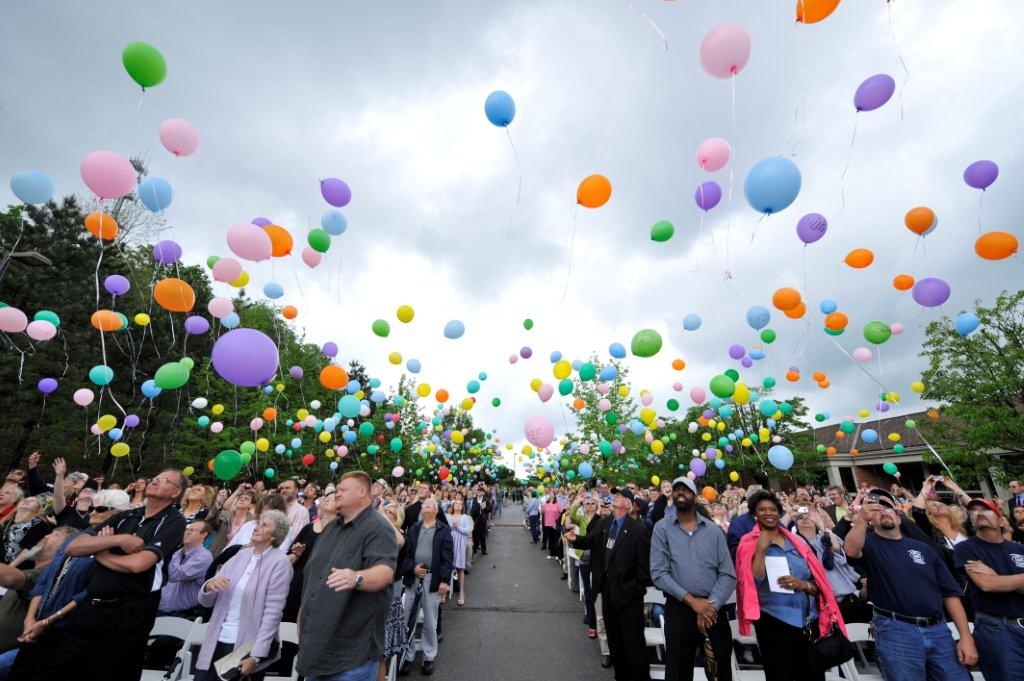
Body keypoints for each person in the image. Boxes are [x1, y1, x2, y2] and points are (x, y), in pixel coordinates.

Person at [47, 469, 187, 681]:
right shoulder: (127, 515)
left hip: (128, 615)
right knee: (64, 670)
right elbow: (73, 547)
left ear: (175, 493)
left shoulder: (173, 522)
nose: (155, 481)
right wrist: (116, 541)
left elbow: (138, 564)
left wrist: (99, 551)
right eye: (155, 477)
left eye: (163, 480)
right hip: (89, 608)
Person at [844, 489, 977, 680]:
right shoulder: (869, 543)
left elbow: (950, 594)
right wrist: (862, 519)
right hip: (896, 630)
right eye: (876, 509)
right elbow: (850, 550)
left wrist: (966, 637)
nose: (883, 511)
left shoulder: (924, 549)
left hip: (938, 629)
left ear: (899, 516)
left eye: (888, 507)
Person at [11, 490, 130, 681]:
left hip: (69, 631)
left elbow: (89, 591)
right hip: (38, 624)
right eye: (91, 508)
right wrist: (31, 619)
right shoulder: (75, 539)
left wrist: (49, 621)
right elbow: (44, 580)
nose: (92, 512)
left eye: (100, 509)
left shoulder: (115, 547)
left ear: (118, 513)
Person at [297, 471, 399, 681]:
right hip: (317, 649)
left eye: (343, 489)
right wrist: (303, 613)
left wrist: (356, 578)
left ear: (362, 492)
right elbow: (314, 575)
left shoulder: (377, 528)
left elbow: (385, 572)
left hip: (351, 654)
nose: (337, 493)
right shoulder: (331, 528)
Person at [735, 490, 846, 681]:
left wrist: (804, 585)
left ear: (779, 513)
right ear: (754, 514)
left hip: (807, 622)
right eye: (762, 509)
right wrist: (761, 550)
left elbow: (818, 582)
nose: (768, 513)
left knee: (813, 676)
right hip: (774, 623)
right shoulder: (748, 542)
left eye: (772, 509)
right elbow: (751, 583)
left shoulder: (797, 542)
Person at [651, 476, 736, 681]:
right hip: (680, 609)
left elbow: (728, 573)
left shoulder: (714, 530)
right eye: (676, 489)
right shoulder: (662, 529)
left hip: (712, 610)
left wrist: (710, 606)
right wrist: (692, 601)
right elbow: (659, 573)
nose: (681, 492)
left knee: (719, 670)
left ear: (695, 496)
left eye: (686, 489)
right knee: (679, 671)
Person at [565, 487, 652, 681]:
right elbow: (591, 540)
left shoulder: (638, 530)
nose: (615, 497)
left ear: (629, 504)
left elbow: (645, 570)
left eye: (620, 496)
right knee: (615, 643)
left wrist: (633, 589)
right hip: (607, 593)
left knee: (633, 646)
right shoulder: (605, 523)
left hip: (629, 597)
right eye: (615, 495)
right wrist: (575, 539)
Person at [193, 510, 292, 681]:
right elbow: (206, 602)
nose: (257, 527)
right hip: (216, 639)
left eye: (264, 525)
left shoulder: (280, 563)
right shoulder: (240, 555)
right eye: (258, 522)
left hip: (245, 648)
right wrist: (209, 586)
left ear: (275, 536)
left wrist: (255, 657)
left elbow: (273, 615)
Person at [954, 498, 1024, 681]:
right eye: (974, 511)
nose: (979, 513)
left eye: (986, 510)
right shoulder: (965, 548)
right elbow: (987, 585)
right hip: (996, 628)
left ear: (1001, 520)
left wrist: (997, 577)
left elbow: (995, 582)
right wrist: (997, 580)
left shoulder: (1018, 549)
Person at [0, 526, 75, 676]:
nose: (46, 536)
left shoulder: (51, 575)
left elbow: (13, 577)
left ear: (69, 547)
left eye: (57, 534)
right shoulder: (35, 571)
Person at [399, 497, 453, 676]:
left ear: (436, 510)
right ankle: (407, 656)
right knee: (409, 619)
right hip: (413, 578)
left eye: (429, 504)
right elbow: (406, 556)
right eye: (424, 504)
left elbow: (447, 558)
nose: (425, 506)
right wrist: (412, 568)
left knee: (430, 622)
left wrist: (445, 580)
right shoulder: (413, 529)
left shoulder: (443, 530)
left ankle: (428, 657)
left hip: (432, 580)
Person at [791, 508, 870, 624]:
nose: (804, 519)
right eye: (800, 518)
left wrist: (822, 527)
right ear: (796, 524)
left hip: (847, 600)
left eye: (808, 516)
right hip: (822, 604)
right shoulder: (794, 544)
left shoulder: (826, 536)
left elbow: (836, 548)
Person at [158, 519, 214, 617]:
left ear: (203, 534)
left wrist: (172, 548)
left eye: (192, 530)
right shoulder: (178, 552)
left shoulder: (204, 557)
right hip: (159, 608)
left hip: (180, 615)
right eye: (187, 529)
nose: (187, 532)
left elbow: (175, 575)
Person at [379, 502, 408, 681]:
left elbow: (399, 542)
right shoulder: (378, 532)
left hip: (391, 587)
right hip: (375, 587)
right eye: (386, 510)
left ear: (397, 519)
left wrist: (381, 514)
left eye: (391, 512)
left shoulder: (401, 535)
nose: (386, 513)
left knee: (382, 645)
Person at [567, 492, 600, 638]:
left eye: (593, 503)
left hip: (598, 558)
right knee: (587, 589)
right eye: (588, 503)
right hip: (585, 557)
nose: (590, 505)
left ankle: (598, 620)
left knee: (597, 591)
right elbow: (572, 515)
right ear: (584, 507)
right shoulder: (581, 518)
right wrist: (577, 502)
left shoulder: (601, 519)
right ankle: (589, 616)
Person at [0, 496, 50, 566]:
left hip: (16, 568)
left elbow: (29, 549)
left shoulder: (38, 523)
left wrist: (10, 567)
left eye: (32, 501)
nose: (27, 501)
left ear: (36, 508)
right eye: (25, 499)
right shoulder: (7, 521)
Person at [210, 486, 259, 555]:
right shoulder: (226, 515)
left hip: (236, 554)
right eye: (240, 498)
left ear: (251, 505)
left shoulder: (252, 522)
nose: (242, 500)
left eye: (246, 499)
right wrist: (238, 490)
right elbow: (224, 508)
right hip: (218, 550)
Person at [446, 498, 472, 607]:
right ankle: (444, 592)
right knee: (447, 566)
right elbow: (445, 529)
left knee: (460, 568)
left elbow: (467, 531)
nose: (458, 505)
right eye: (456, 503)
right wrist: (452, 526)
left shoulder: (465, 517)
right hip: (449, 542)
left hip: (460, 542)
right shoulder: (448, 516)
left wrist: (458, 527)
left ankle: (461, 592)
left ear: (462, 506)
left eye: (460, 503)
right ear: (453, 506)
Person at [278, 479, 311, 551]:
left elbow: (294, 537)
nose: (283, 490)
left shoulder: (301, 510)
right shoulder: (277, 508)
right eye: (282, 488)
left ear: (296, 491)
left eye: (287, 488)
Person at [541, 492, 563, 560]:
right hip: (547, 523)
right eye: (549, 494)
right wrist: (542, 508)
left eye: (552, 493)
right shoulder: (545, 504)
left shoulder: (557, 504)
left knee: (555, 539)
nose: (550, 495)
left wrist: (557, 518)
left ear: (554, 495)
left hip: (555, 524)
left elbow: (561, 511)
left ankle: (556, 554)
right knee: (550, 539)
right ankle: (551, 553)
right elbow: (543, 512)